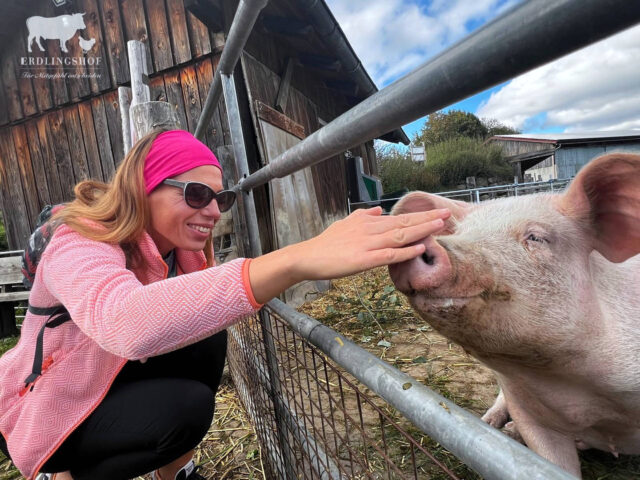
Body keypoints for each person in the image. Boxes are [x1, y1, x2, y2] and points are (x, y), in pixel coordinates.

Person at [0, 129, 449, 480]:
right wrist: (296, 259)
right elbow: (125, 322)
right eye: (197, 194)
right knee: (183, 411)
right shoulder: (79, 239)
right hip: (42, 404)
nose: (214, 210)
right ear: (143, 188)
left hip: (104, 378)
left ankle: (175, 473)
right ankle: (65, 475)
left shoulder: (183, 253)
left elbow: (194, 311)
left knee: (206, 338)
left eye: (221, 198)